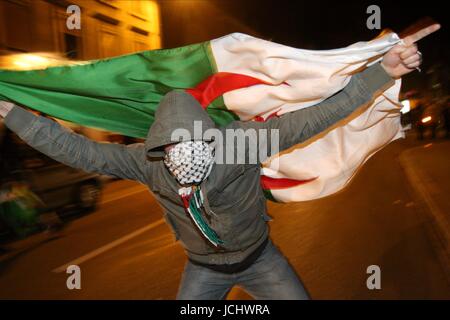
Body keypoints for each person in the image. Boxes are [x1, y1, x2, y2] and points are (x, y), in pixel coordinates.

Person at [0, 26, 434, 299]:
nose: (183, 159)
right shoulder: (145, 163)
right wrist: (13, 113)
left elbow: (320, 115)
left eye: (193, 146)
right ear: (158, 148)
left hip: (261, 259)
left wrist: (385, 71)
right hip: (202, 270)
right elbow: (76, 150)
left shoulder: (240, 144)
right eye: (173, 149)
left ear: (211, 138)